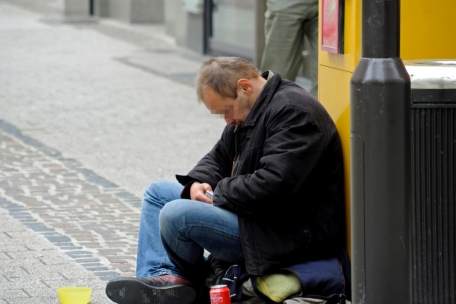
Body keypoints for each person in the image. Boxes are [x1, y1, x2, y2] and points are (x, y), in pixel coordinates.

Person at [105, 57, 346, 304]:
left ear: (245, 87)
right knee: (158, 193)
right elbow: (218, 157)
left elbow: (274, 185)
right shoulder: (250, 109)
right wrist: (200, 183)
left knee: (178, 214)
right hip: (257, 217)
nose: (227, 121)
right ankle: (164, 280)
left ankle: (190, 288)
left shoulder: (293, 112)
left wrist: (218, 194)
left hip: (288, 233)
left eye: (226, 111)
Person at [260, 0, 319, 97]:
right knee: (278, 77)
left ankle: (322, 112)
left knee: (329, 73)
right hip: (286, 4)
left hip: (329, 4)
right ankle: (275, 111)